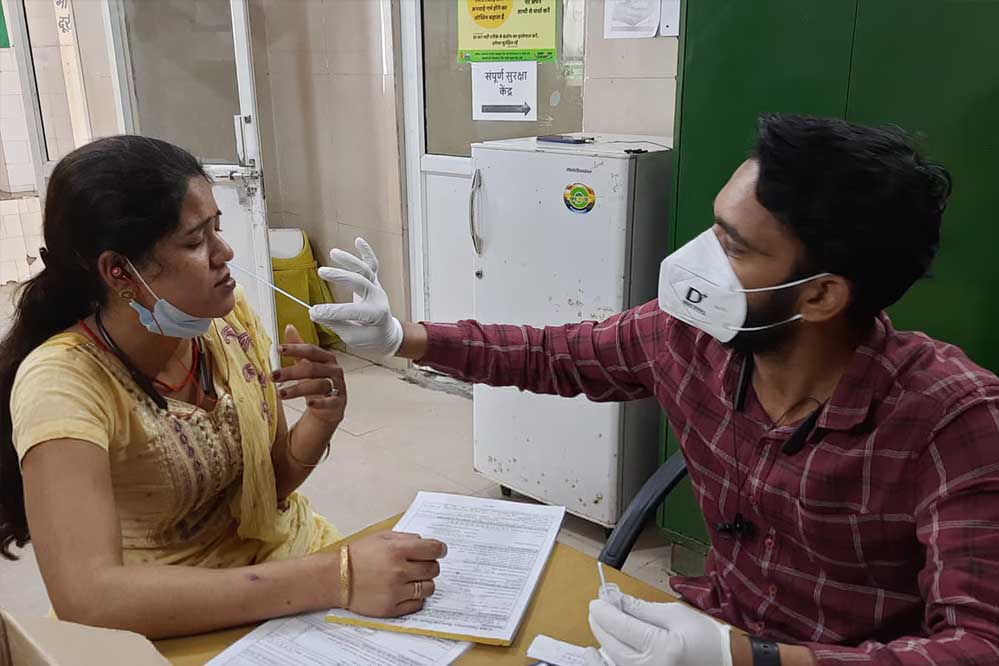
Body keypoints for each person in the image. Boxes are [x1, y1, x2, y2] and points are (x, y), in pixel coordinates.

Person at [311, 115, 999, 665]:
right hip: (711, 627)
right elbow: (553, 356)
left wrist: (748, 658)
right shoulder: (689, 337)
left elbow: (979, 646)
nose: (699, 259)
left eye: (733, 247)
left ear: (820, 295)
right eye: (713, 228)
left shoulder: (954, 419)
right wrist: (401, 337)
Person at [0, 136, 444, 639]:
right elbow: (89, 600)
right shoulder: (63, 383)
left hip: (288, 570)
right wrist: (336, 578)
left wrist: (321, 419)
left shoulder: (225, 325)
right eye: (195, 241)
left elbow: (266, 487)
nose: (225, 252)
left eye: (218, 228)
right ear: (119, 271)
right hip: (175, 618)